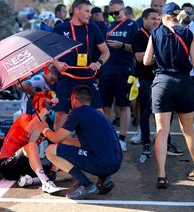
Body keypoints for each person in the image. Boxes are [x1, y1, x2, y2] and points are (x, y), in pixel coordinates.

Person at [36, 85, 122, 199]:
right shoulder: (98, 113)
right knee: (72, 145)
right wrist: (63, 143)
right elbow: (80, 142)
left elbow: (56, 138)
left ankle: (87, 185)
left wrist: (44, 129)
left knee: (50, 150)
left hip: (102, 163)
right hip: (115, 163)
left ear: (74, 99)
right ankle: (104, 179)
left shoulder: (77, 112)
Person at [143, 2, 194, 188]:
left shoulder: (155, 33)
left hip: (162, 82)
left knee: (161, 130)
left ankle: (161, 175)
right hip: (183, 82)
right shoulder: (188, 33)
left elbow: (147, 61)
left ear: (164, 16)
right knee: (188, 129)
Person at [52, 0, 110, 131]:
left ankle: (100, 145)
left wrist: (99, 63)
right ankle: (58, 147)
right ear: (76, 10)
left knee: (99, 112)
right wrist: (57, 63)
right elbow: (48, 52)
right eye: (87, 11)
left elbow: (105, 52)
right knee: (61, 114)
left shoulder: (93, 28)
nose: (90, 15)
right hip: (67, 77)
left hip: (87, 77)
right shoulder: (61, 28)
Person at [0, 91, 62, 194]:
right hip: (7, 165)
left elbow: (55, 142)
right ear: (36, 105)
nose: (47, 106)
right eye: (44, 104)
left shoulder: (44, 125)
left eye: (48, 104)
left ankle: (31, 181)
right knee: (32, 145)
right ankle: (46, 183)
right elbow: (29, 128)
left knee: (63, 173)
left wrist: (54, 169)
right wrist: (47, 108)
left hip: (24, 167)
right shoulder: (24, 118)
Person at [98, 0, 138, 152]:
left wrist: (122, 46)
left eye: (116, 12)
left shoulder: (132, 25)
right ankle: (109, 137)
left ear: (124, 10)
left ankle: (122, 139)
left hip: (124, 69)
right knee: (105, 105)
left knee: (123, 105)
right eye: (111, 13)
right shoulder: (107, 25)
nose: (114, 16)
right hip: (107, 69)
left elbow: (137, 48)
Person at [131, 8, 160, 155]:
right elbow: (139, 58)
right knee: (145, 111)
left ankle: (163, 141)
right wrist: (155, 48)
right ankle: (146, 142)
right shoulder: (138, 35)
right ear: (144, 19)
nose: (156, 21)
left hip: (160, 78)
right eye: (153, 18)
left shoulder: (161, 32)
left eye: (158, 19)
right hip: (145, 78)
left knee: (162, 112)